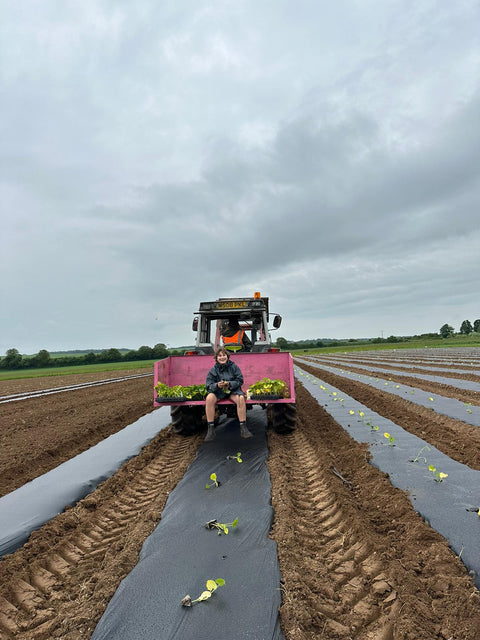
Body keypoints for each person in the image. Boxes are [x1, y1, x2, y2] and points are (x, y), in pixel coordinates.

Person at [204, 347, 253, 441]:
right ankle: (210, 429)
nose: (222, 357)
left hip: (232, 390)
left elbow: (240, 380)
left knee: (241, 398)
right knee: (209, 398)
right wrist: (217, 385)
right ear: (216, 358)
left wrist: (230, 384)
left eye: (224, 355)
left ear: (227, 356)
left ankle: (243, 428)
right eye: (219, 356)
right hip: (218, 391)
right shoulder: (213, 370)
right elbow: (209, 385)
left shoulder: (234, 367)